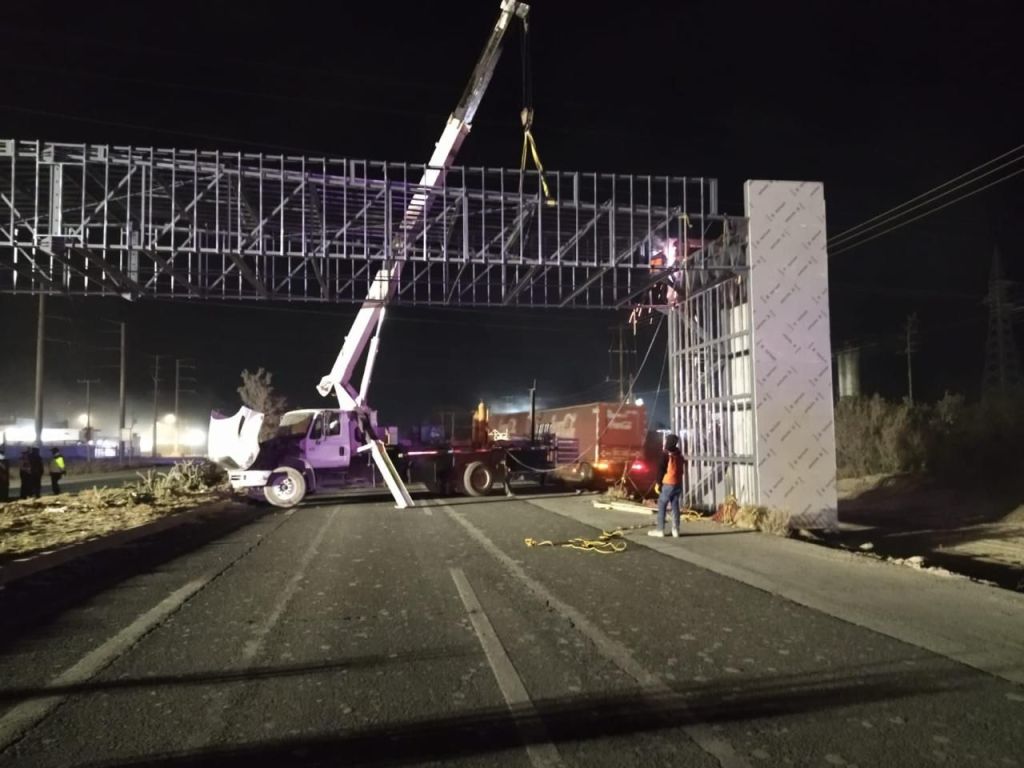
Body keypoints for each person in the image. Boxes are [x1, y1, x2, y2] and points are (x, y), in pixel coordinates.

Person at [649, 433, 684, 538]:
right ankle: (675, 530)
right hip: (678, 483)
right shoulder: (679, 455)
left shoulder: (665, 455)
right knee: (675, 505)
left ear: (668, 442)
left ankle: (660, 530)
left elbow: (661, 470)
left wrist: (658, 483)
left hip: (668, 483)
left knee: (662, 504)